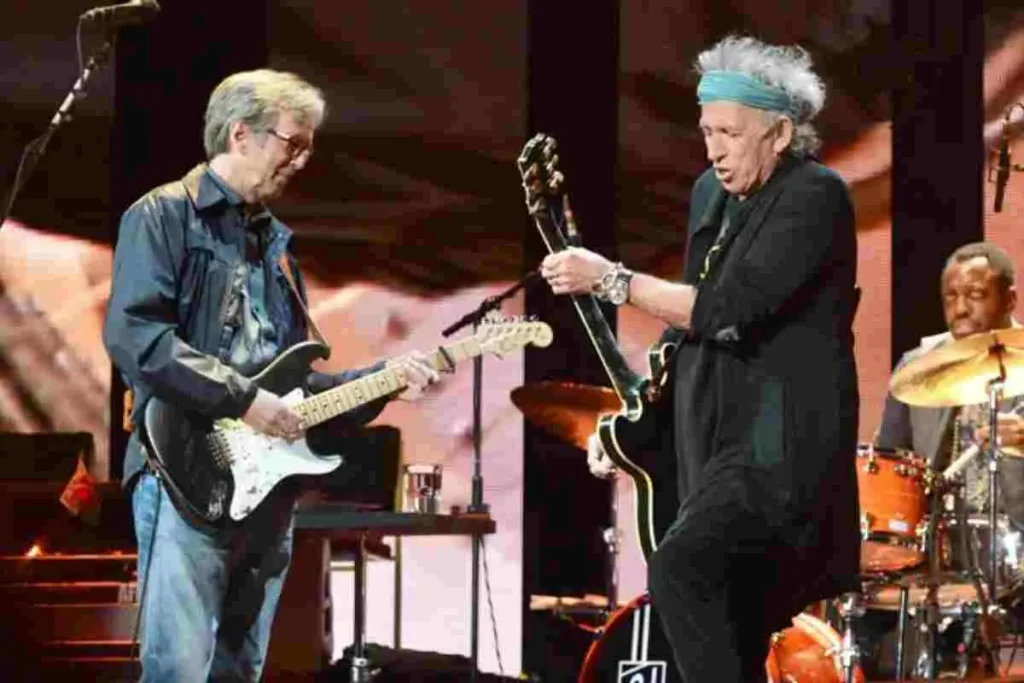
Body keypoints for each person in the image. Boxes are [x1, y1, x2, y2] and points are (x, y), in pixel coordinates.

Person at [540, 35, 860, 682]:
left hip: (779, 455)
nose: (713, 148)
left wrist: (611, 279)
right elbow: (687, 323)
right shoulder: (708, 196)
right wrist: (625, 428)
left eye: (730, 133)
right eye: (706, 130)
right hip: (711, 445)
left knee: (683, 565)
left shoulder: (815, 196)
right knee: (729, 628)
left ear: (778, 133)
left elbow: (725, 308)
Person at [103, 69, 439, 682]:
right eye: (293, 143)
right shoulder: (162, 216)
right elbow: (137, 337)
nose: (302, 160)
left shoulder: (275, 246)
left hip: (263, 495)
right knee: (177, 668)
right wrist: (244, 401)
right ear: (241, 134)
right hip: (184, 477)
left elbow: (296, 385)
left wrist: (383, 379)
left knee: (242, 669)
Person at [876, 241, 1024, 524]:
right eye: (950, 297)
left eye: (975, 294)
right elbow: (889, 468)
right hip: (937, 544)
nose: (960, 309)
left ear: (1010, 300)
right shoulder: (917, 369)